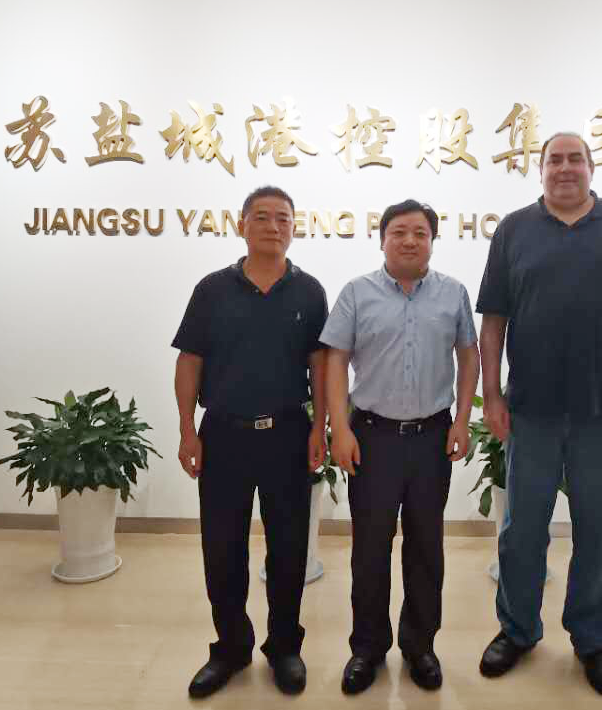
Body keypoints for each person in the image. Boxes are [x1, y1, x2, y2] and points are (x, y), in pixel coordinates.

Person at [474, 133, 602, 697]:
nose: (565, 168)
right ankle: (517, 630)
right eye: (554, 160)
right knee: (521, 530)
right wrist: (492, 395)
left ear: (591, 167)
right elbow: (493, 320)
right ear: (540, 169)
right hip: (531, 411)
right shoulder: (514, 229)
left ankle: (592, 639)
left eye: (575, 159)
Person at [172, 185, 328, 698]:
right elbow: (189, 361)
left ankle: (284, 647)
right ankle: (231, 647)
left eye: (283, 218)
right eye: (261, 217)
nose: (273, 226)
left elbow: (320, 365)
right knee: (222, 549)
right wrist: (187, 430)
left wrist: (319, 427)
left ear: (294, 228)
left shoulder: (309, 292)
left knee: (289, 548)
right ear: (242, 225)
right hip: (223, 436)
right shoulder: (212, 290)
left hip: (287, 434)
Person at [322, 199, 480, 694]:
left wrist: (461, 420)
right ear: (382, 239)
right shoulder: (357, 292)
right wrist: (340, 429)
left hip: (431, 438)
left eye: (419, 233)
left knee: (426, 546)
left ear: (432, 240)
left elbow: (469, 356)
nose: (409, 241)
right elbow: (335, 360)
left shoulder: (453, 293)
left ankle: (420, 647)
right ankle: (367, 649)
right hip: (372, 438)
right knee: (369, 549)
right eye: (399, 232)